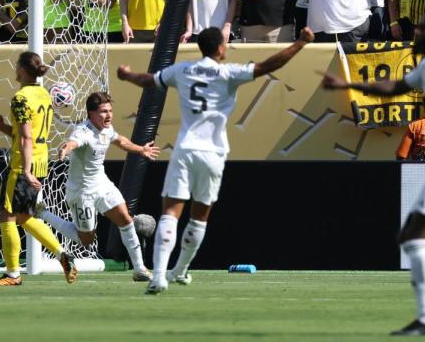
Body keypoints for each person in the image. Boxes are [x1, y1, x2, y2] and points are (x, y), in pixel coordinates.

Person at [117, 26, 315, 294]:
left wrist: (127, 75)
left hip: (185, 149)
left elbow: (149, 80)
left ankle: (160, 275)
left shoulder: (183, 70)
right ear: (221, 48)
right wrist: (300, 43)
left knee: (170, 213)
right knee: (199, 217)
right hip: (213, 152)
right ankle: (182, 270)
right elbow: (269, 65)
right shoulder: (228, 72)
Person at [321, 11, 425, 335]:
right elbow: (395, 85)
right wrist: (350, 84)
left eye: (424, 28)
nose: (418, 31)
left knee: (412, 237)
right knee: (410, 239)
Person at [37, 92, 160, 282]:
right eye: (103, 112)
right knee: (84, 240)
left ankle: (139, 269)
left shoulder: (106, 128)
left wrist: (141, 149)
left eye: (110, 110)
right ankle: (42, 213)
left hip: (101, 184)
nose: (109, 115)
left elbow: (121, 142)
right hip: (82, 192)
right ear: (91, 114)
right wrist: (65, 149)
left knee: (125, 219)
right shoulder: (83, 132)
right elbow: (72, 143)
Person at [0, 52, 78, 287]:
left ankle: (12, 274)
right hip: (41, 160)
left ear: (23, 70)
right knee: (25, 216)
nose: (15, 69)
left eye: (17, 65)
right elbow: (29, 132)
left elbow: (26, 137)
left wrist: (24, 170)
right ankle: (62, 254)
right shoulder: (44, 94)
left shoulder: (20, 98)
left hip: (22, 164)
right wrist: (3, 128)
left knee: (6, 216)